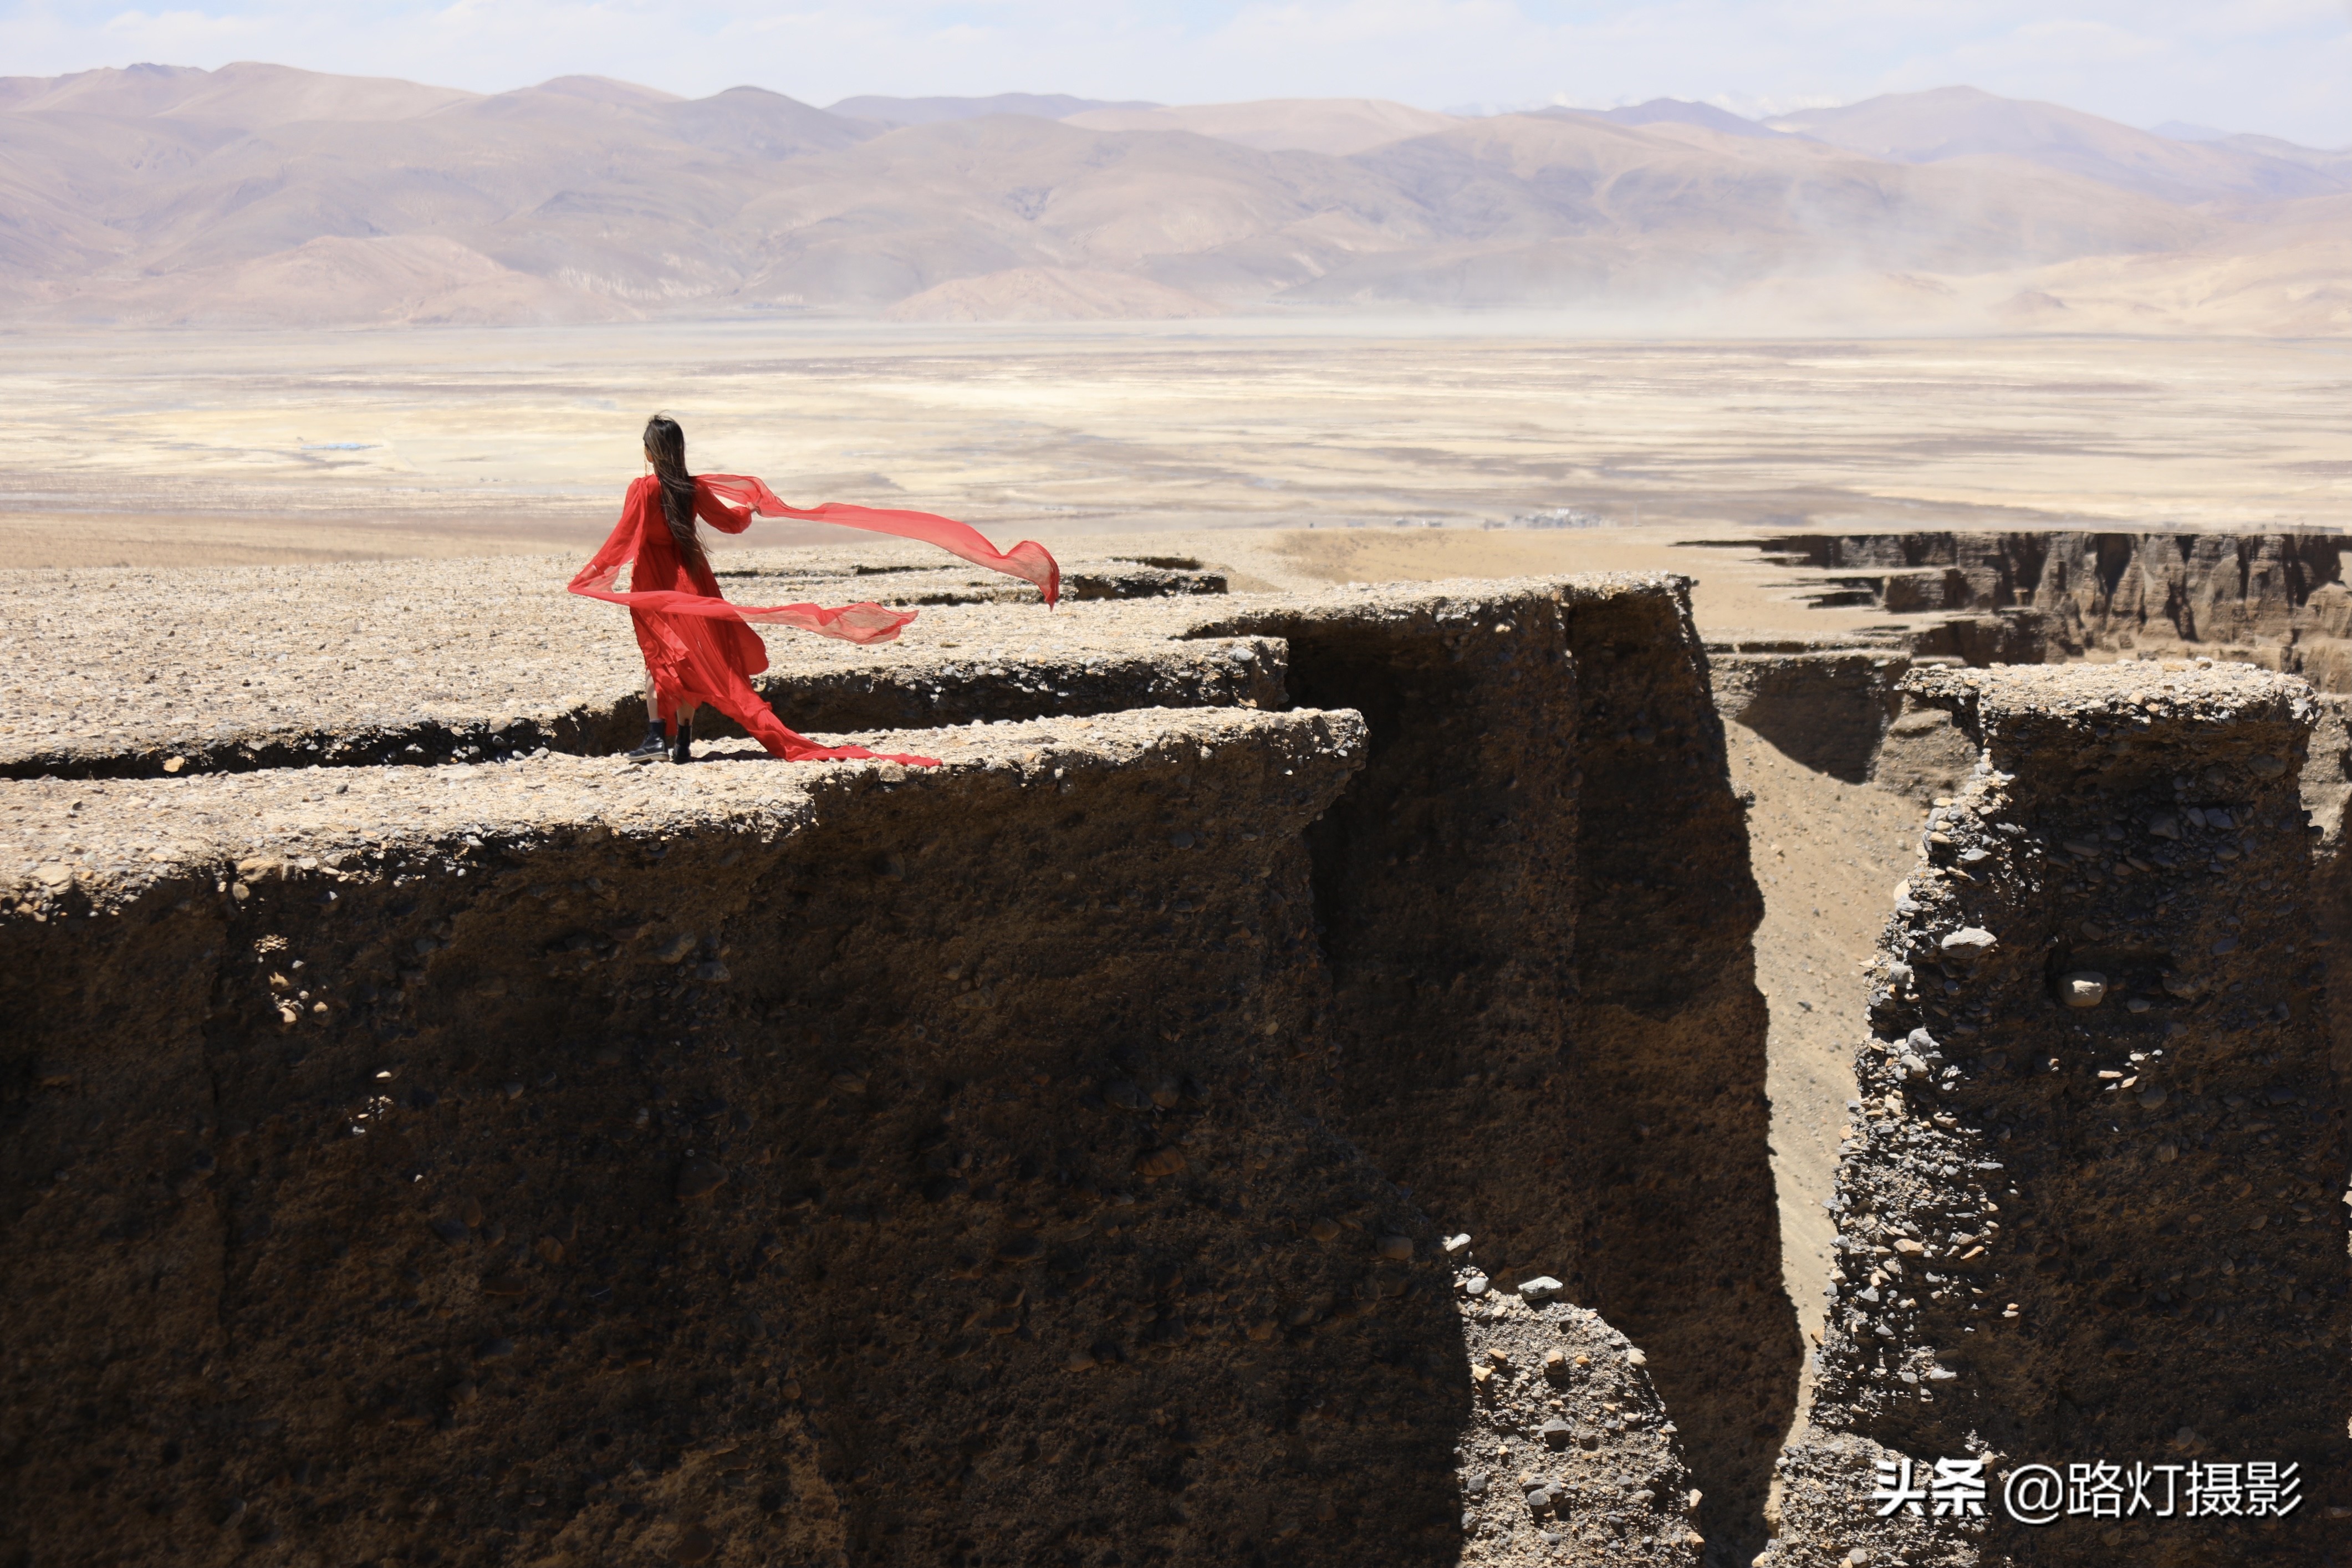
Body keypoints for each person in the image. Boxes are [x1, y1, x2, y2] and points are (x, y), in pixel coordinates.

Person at [570, 415, 1058, 767]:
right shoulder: (693, 489)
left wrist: (594, 573)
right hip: (695, 581)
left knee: (663, 656)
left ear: (649, 451)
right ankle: (682, 743)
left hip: (656, 583)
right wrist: (750, 509)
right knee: (702, 658)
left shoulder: (643, 488)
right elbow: (732, 523)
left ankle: (658, 737)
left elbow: (625, 536)